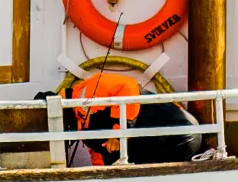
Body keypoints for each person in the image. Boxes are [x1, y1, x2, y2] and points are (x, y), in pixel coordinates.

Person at [66, 70, 201, 167]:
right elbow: (98, 154)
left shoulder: (92, 86)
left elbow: (129, 87)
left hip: (180, 128)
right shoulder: (80, 125)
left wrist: (118, 133)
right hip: (164, 148)